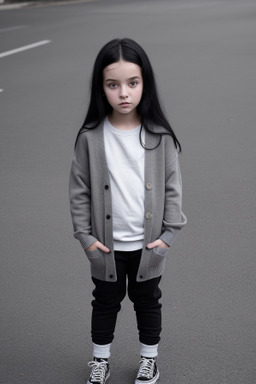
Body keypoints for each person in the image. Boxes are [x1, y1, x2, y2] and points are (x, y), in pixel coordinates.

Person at [69, 38, 187, 384]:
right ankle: (100, 361)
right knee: (105, 303)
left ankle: (149, 360)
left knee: (148, 302)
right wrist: (86, 238)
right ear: (101, 88)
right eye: (113, 84)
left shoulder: (159, 135)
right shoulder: (90, 137)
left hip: (148, 246)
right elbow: (79, 190)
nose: (124, 93)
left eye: (132, 83)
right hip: (106, 247)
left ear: (144, 84)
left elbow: (172, 188)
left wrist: (168, 235)